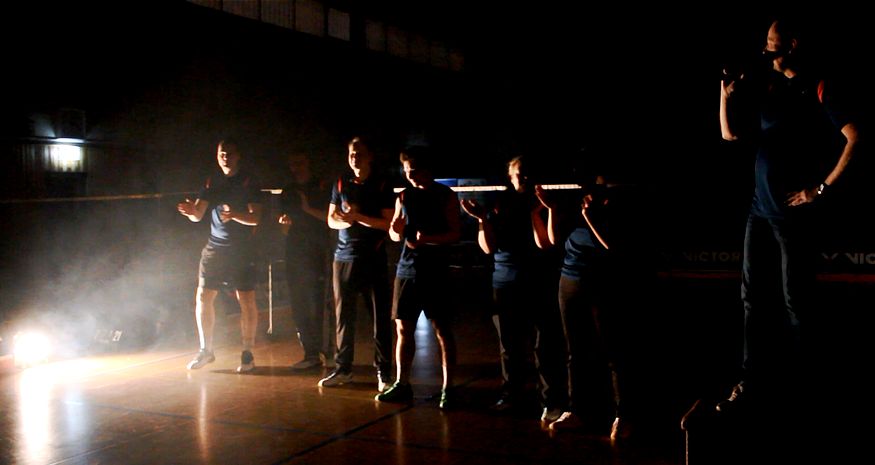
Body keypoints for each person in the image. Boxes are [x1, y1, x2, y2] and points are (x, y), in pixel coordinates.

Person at [717, 18, 861, 413]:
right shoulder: (771, 87)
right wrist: (725, 96)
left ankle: (805, 388)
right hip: (758, 212)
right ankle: (750, 380)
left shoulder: (819, 87)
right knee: (751, 299)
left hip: (792, 217)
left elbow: (856, 137)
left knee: (796, 302)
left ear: (792, 44)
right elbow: (730, 136)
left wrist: (820, 188)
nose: (766, 49)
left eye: (771, 42)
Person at [460, 156, 568, 423]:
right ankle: (512, 395)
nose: (525, 178)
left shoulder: (543, 201)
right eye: (519, 173)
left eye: (528, 173)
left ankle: (551, 400)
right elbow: (488, 247)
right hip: (505, 282)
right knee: (509, 345)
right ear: (510, 176)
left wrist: (537, 213)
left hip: (538, 281)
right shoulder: (500, 203)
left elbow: (545, 243)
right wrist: (482, 220)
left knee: (545, 345)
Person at [544, 174, 646, 444]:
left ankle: (624, 415)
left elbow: (615, 246)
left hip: (605, 283)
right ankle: (577, 411)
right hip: (570, 280)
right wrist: (552, 210)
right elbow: (555, 240)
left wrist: (591, 216)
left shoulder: (620, 201)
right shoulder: (579, 201)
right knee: (576, 351)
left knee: (616, 351)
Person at [375, 146, 461, 409]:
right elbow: (394, 234)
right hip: (407, 270)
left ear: (426, 169)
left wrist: (429, 240)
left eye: (413, 169)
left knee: (442, 329)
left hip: (435, 270)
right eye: (406, 169)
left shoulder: (445, 195)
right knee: (403, 327)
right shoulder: (404, 196)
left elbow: (455, 234)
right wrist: (394, 230)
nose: (409, 174)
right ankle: (402, 383)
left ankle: (448, 388)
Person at [177, 138, 263, 373]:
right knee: (204, 295)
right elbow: (198, 215)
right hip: (216, 247)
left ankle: (247, 353)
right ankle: (206, 350)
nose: (225, 156)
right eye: (222, 153)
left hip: (243, 248)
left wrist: (235, 214)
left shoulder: (249, 181)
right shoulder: (211, 180)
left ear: (238, 156)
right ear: (217, 156)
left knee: (245, 299)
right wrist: (189, 212)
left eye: (230, 153)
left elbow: (256, 218)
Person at [319, 136, 395, 391]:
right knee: (343, 317)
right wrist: (345, 220)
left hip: (372, 258)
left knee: (380, 318)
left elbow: (388, 223)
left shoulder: (382, 183)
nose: (355, 157)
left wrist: (358, 216)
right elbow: (331, 220)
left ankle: (384, 372)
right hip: (343, 258)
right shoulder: (341, 182)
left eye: (360, 153)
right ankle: (343, 369)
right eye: (352, 153)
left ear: (370, 156)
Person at [278, 152, 333, 370]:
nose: (296, 167)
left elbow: (330, 219)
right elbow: (284, 227)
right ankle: (309, 353)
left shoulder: (322, 186)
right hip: (295, 251)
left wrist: (307, 208)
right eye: (293, 163)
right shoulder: (288, 190)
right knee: (299, 302)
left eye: (300, 162)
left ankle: (327, 351)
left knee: (319, 302)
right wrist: (284, 224)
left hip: (318, 251)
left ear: (308, 162)